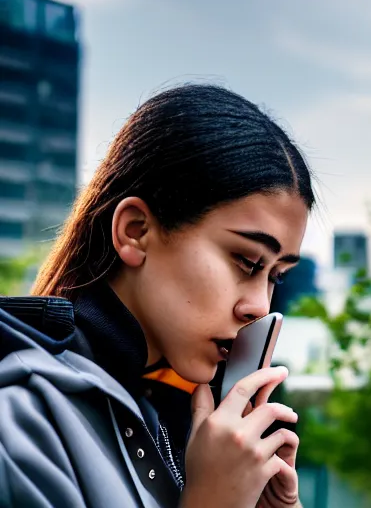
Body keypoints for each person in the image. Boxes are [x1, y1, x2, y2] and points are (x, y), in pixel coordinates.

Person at [0, 84, 315, 507]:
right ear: (135, 231)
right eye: (246, 261)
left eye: (276, 275)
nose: (259, 307)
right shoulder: (19, 422)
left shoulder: (184, 426)